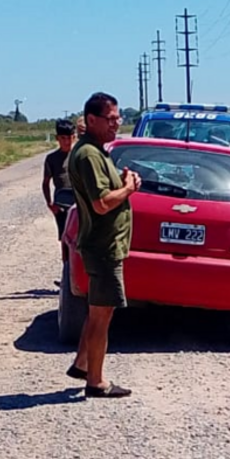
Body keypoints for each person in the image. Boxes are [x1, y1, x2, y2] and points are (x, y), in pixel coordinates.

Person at [66, 92, 141, 399]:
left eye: (118, 118)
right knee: (102, 315)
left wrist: (123, 183)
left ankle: (83, 363)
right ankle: (96, 381)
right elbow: (100, 203)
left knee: (97, 310)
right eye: (111, 119)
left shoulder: (98, 151)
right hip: (102, 247)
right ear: (92, 120)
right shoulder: (88, 155)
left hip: (105, 246)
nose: (117, 123)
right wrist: (127, 188)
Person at [42, 119, 76, 258]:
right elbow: (45, 182)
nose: (67, 142)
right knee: (64, 238)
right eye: (63, 138)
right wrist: (50, 203)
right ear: (57, 138)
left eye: (69, 138)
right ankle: (66, 271)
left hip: (78, 203)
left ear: (74, 137)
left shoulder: (79, 155)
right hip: (61, 204)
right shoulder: (52, 158)